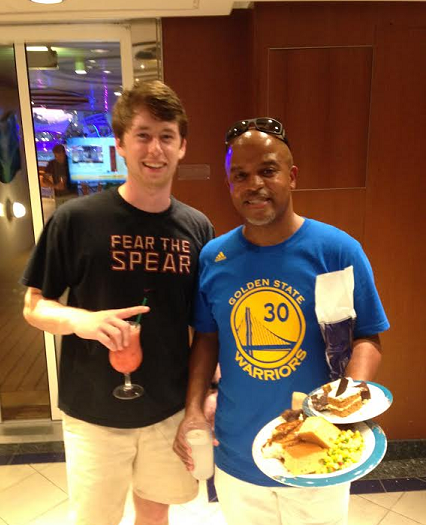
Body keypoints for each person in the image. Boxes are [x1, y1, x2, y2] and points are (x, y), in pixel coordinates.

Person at [173, 117, 389, 525]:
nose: (254, 184)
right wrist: (193, 409)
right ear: (229, 185)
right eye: (241, 175)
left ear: (292, 177)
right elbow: (206, 339)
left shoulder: (337, 251)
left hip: (320, 451)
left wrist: (344, 409)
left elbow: (368, 337)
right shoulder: (214, 258)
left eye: (268, 170)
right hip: (238, 454)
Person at [21, 80, 214, 525]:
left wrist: (207, 394)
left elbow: (205, 324)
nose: (155, 149)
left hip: (167, 408)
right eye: (143, 135)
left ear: (182, 146)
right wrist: (82, 322)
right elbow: (34, 305)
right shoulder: (76, 219)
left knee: (155, 516)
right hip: (93, 413)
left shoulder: (197, 228)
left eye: (166, 136)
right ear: (121, 144)